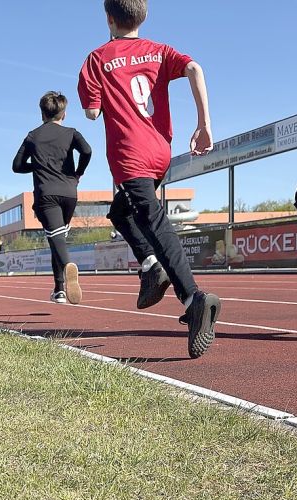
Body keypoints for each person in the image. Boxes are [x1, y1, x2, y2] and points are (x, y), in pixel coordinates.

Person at [78, 0, 221, 358]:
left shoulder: (97, 59)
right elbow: (195, 68)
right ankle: (151, 266)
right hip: (159, 152)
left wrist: (106, 98)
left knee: (154, 220)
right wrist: (204, 124)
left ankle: (193, 298)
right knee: (121, 213)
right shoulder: (159, 51)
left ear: (109, 18)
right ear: (143, 16)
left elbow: (92, 113)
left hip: (130, 153)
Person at [13, 91, 92, 304]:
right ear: (63, 114)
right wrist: (78, 173)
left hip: (46, 193)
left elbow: (17, 166)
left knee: (56, 237)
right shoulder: (72, 133)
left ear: (42, 114)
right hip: (69, 192)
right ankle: (59, 289)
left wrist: (37, 165)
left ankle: (67, 270)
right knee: (56, 238)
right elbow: (87, 151)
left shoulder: (33, 136)